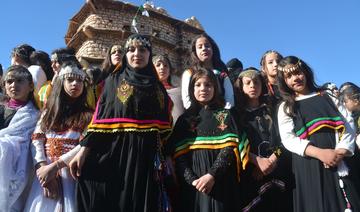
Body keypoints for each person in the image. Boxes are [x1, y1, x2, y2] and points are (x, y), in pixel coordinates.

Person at [69, 34, 173, 212]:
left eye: (142, 50)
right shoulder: (113, 81)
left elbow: (164, 128)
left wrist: (167, 157)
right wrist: (83, 151)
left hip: (145, 155)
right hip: (114, 151)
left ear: (150, 54)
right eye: (131, 50)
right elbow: (101, 120)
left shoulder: (158, 88)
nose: (136, 54)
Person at [276, 56, 360, 212]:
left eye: (298, 72)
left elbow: (348, 124)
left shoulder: (328, 96)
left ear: (305, 72)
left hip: (338, 161)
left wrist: (339, 153)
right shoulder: (286, 107)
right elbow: (288, 139)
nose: (295, 78)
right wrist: (320, 153)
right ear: (284, 81)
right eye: (289, 76)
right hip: (309, 165)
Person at [170, 68, 249, 212]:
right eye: (198, 85)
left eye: (208, 85)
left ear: (215, 88)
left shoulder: (226, 115)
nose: (203, 89)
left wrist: (212, 175)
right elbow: (179, 156)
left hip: (222, 182)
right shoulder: (185, 120)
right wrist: (193, 181)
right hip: (194, 188)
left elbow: (230, 149)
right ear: (191, 88)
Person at [24, 62, 93, 211]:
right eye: (70, 80)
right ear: (61, 83)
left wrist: (55, 167)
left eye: (80, 80)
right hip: (44, 174)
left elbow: (84, 145)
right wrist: (43, 170)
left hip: (71, 175)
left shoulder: (88, 116)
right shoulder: (48, 113)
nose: (75, 84)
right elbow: (37, 140)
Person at [234, 67, 293, 211]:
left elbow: (284, 139)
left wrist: (271, 160)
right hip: (251, 173)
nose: (253, 86)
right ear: (240, 87)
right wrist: (257, 161)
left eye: (256, 82)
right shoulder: (235, 115)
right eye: (247, 83)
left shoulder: (274, 109)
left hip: (279, 168)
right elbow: (235, 143)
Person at [0, 65, 40, 211]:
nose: (13, 85)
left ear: (30, 86)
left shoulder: (36, 116)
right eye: (9, 81)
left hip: (23, 172)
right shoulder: (1, 109)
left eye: (19, 81)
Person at [181, 33, 234, 109]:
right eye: (200, 47)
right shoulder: (189, 73)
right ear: (195, 52)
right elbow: (187, 100)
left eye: (207, 46)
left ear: (213, 49)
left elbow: (229, 100)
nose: (204, 49)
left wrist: (224, 117)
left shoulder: (222, 75)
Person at [153, 54, 184, 124]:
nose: (162, 68)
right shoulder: (148, 91)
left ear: (170, 70)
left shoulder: (179, 91)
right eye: (158, 65)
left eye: (165, 65)